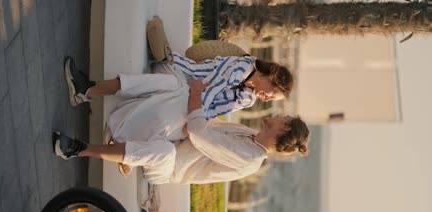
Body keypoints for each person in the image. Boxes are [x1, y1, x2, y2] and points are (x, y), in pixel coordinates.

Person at [55, 62, 310, 184]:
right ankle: (87, 90)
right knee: (174, 84)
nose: (278, 113)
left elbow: (200, 132)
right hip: (179, 135)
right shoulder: (250, 136)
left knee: (164, 150)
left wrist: (197, 94)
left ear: (284, 128)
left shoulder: (250, 157)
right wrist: (196, 110)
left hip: (170, 166)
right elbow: (204, 129)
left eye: (284, 118)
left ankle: (78, 149)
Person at [64, 52, 293, 120]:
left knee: (171, 98)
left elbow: (214, 111)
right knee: (167, 84)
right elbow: (211, 90)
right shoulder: (243, 66)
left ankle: (87, 92)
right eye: (272, 95)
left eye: (272, 101)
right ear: (272, 77)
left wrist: (195, 115)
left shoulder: (247, 98)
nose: (267, 98)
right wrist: (196, 106)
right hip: (179, 72)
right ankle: (86, 90)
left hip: (188, 97)